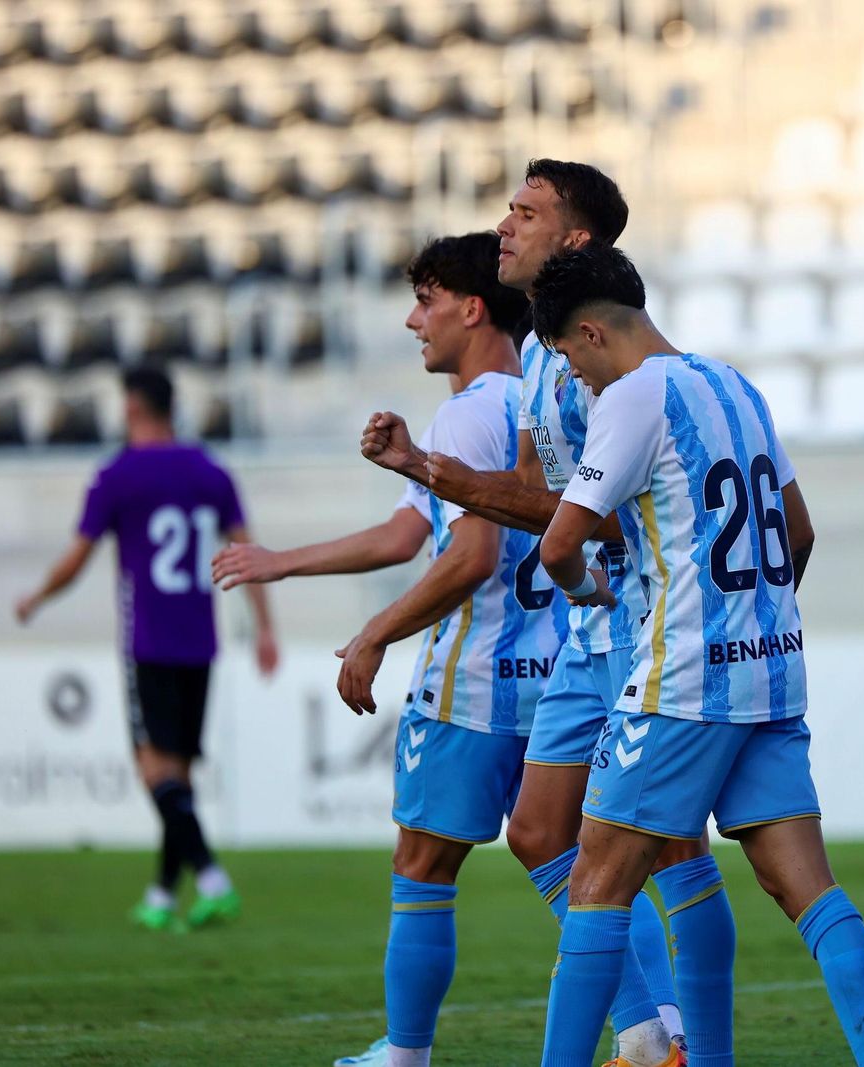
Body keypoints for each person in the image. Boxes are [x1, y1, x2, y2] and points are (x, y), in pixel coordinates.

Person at [513, 244, 864, 1067]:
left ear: (587, 335)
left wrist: (586, 591)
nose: (578, 384)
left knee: (596, 887)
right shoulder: (735, 383)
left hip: (679, 680)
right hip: (770, 672)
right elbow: (798, 530)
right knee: (810, 891)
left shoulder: (630, 397)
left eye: (572, 365)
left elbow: (557, 548)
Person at [359, 160, 694, 1067]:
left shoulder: (594, 358)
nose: (506, 223)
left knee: (669, 849)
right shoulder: (546, 360)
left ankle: (677, 1036)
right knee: (564, 837)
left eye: (527, 211)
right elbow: (544, 498)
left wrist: (427, 472)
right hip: (580, 638)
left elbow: (534, 524)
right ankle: (656, 1033)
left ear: (575, 239)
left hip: (607, 636)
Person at [231, 232, 563, 1067]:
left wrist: (376, 633)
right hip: (557, 669)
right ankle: (652, 1026)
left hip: (476, 676)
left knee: (422, 862)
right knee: (573, 860)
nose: (415, 320)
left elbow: (471, 554)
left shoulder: (469, 411)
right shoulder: (536, 400)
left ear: (471, 306)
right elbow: (410, 528)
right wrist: (283, 561)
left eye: (426, 299)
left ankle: (406, 1054)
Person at [14, 366, 278, 931]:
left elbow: (77, 557)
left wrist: (35, 597)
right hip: (200, 642)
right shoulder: (210, 471)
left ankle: (210, 877)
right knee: (177, 777)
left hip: (148, 641)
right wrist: (265, 628)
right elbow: (249, 553)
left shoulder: (117, 475)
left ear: (132, 407)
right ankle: (162, 897)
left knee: (153, 771)